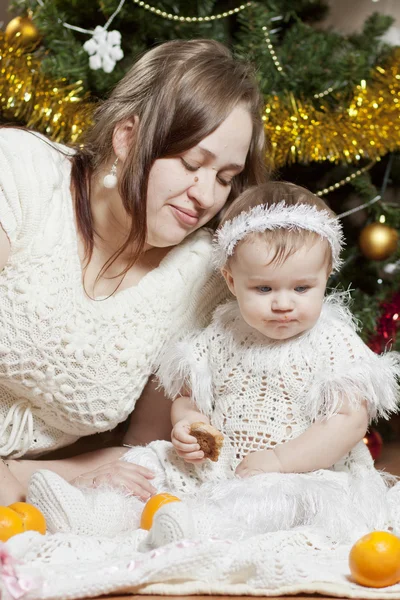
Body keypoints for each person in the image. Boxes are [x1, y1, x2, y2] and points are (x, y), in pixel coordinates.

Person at [28, 181, 400, 544]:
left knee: (270, 504)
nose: (283, 304)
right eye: (264, 289)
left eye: (302, 288)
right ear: (231, 280)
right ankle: (93, 513)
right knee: (152, 465)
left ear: (326, 275)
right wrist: (190, 424)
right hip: (219, 464)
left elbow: (348, 422)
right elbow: (189, 396)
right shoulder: (223, 332)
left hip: (301, 472)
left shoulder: (332, 340)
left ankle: (196, 528)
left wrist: (280, 461)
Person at [0, 38, 268, 505]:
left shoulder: (202, 276)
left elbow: (143, 448)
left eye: (225, 177)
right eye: (191, 163)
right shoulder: (19, 173)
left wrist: (23, 477)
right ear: (127, 138)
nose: (205, 195)